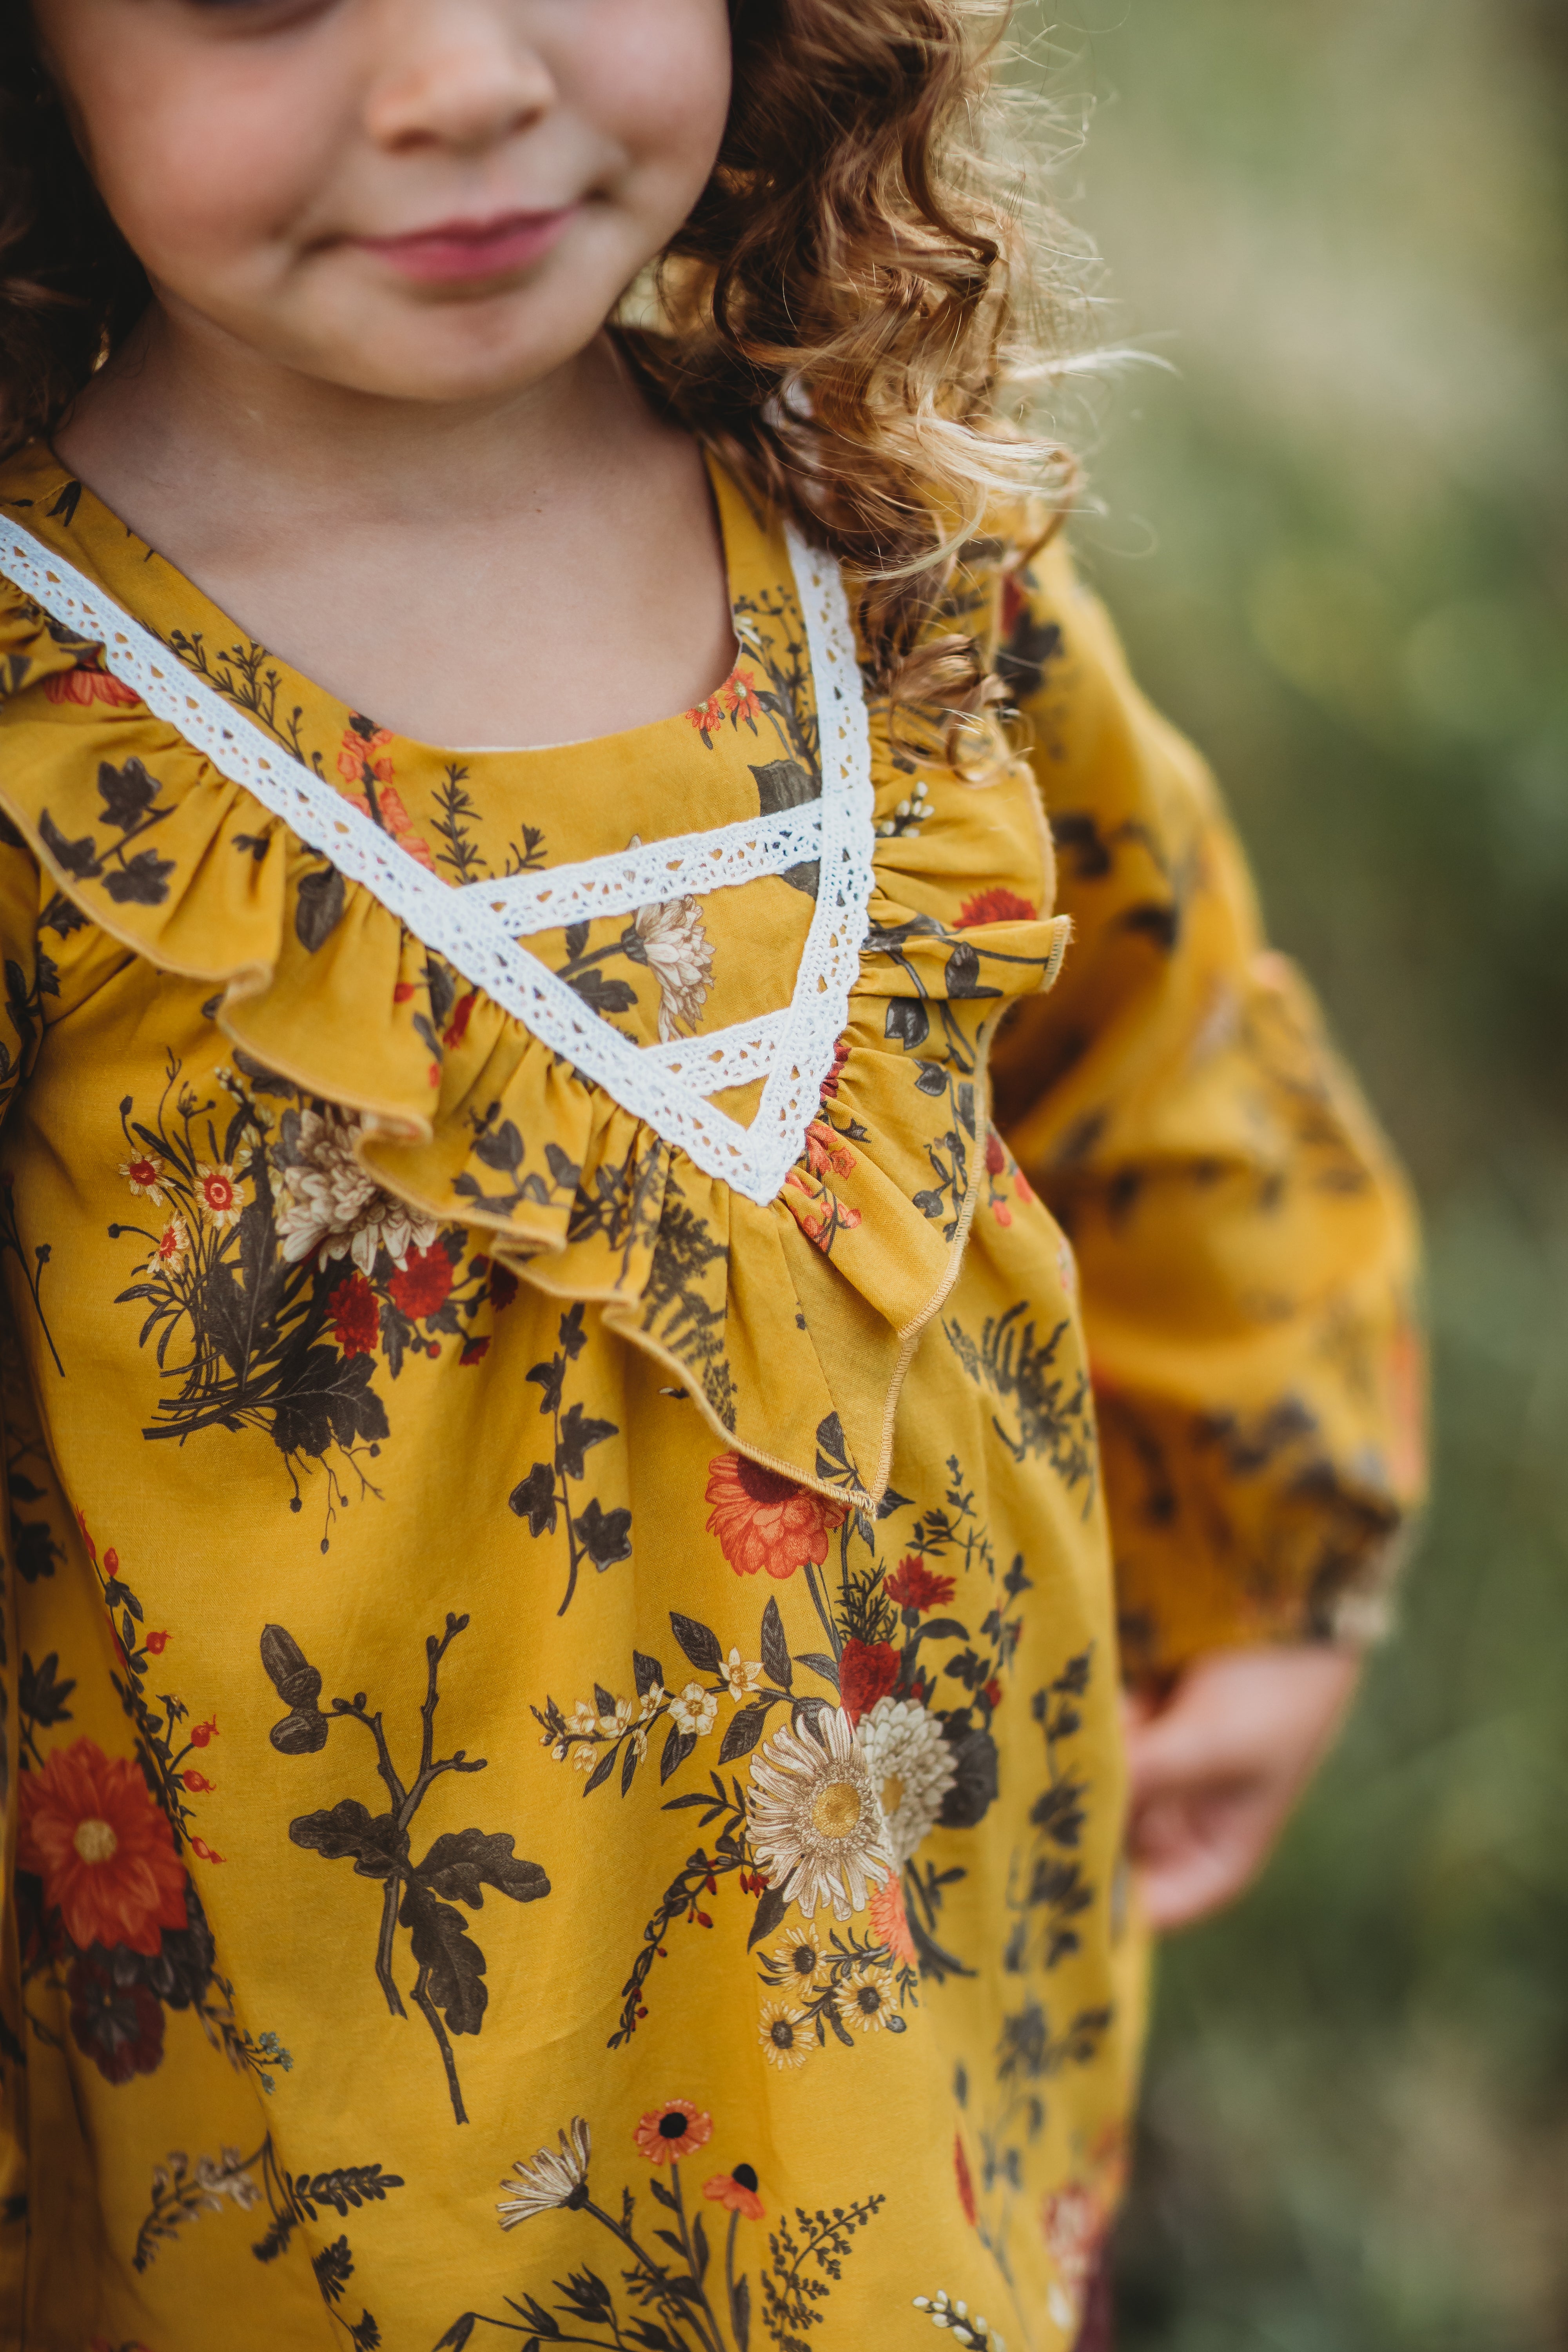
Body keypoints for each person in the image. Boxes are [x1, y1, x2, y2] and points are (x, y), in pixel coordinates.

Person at [0, 2, 1424, 2346]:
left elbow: (1162, 1035)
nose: (457, 79)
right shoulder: (49, 745)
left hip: (927, 2010)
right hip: (317, 2169)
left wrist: (1273, 1541)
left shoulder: (890, 542)